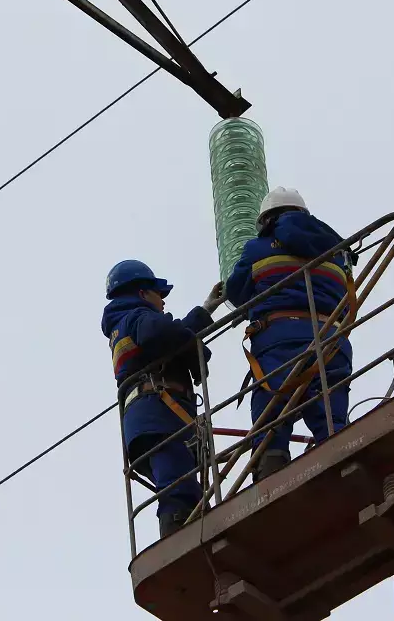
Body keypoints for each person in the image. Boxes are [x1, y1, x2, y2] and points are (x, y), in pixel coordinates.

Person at [225, 187, 355, 483]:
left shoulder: (257, 248)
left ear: (266, 220)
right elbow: (346, 302)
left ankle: (271, 473)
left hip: (279, 338)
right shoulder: (336, 250)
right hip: (331, 336)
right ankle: (342, 463)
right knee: (330, 409)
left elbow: (236, 293)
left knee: (271, 407)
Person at [102, 260, 226, 538]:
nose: (163, 302)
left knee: (182, 483)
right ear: (143, 293)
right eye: (159, 294)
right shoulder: (138, 317)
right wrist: (197, 352)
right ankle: (178, 533)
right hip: (159, 415)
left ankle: (184, 527)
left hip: (145, 421)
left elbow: (170, 337)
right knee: (178, 484)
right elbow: (163, 333)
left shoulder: (125, 323)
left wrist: (206, 309)